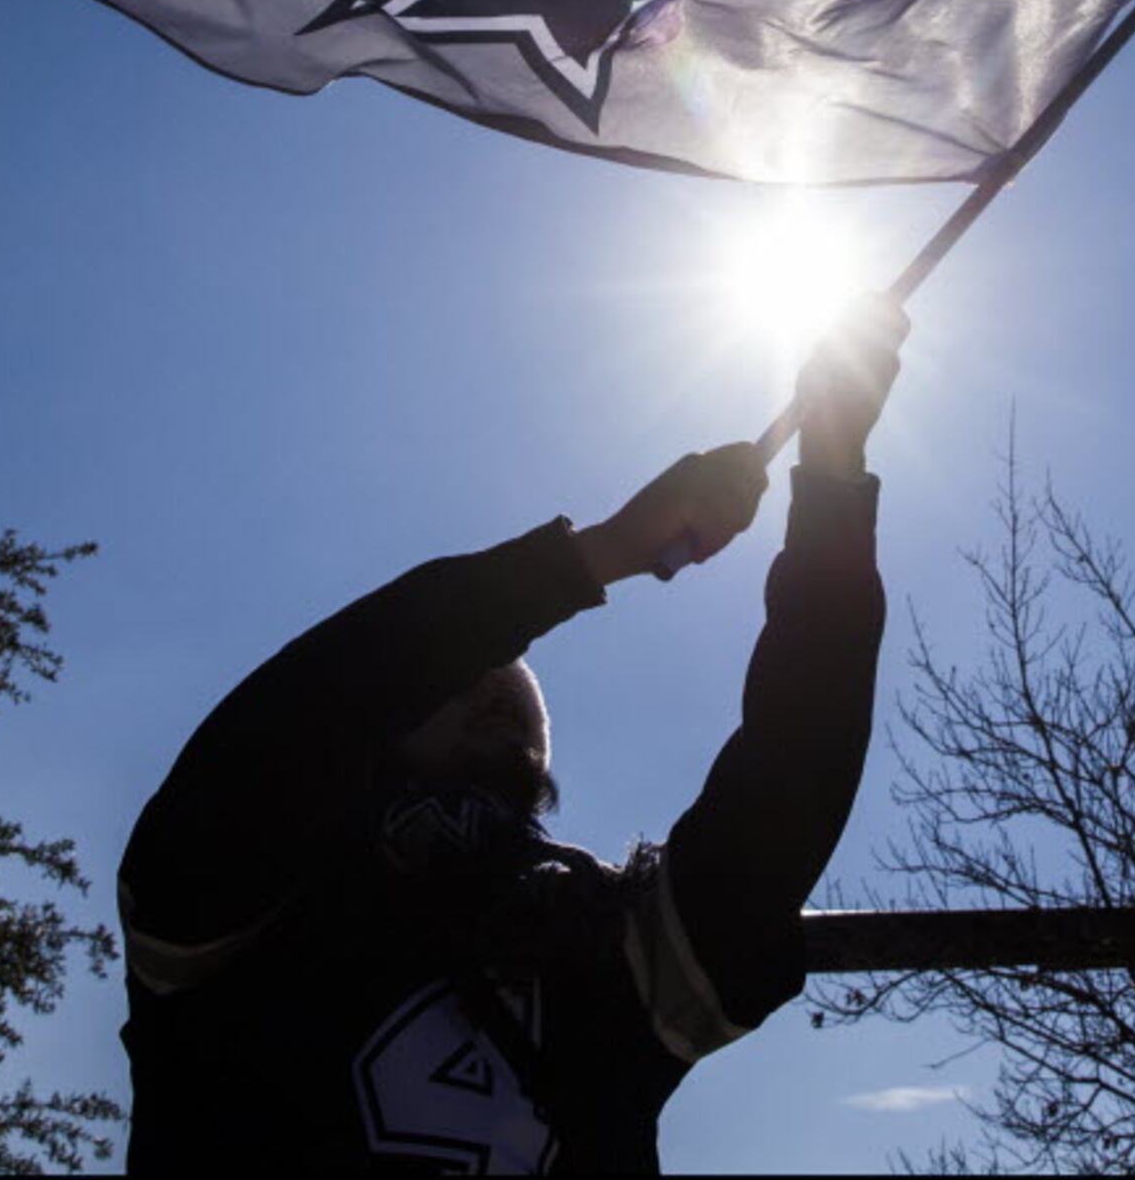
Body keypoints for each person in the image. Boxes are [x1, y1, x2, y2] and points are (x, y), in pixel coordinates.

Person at [116, 300, 908, 1171]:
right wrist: (593, 555)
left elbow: (788, 784)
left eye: (519, 704)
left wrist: (833, 478)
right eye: (466, 680)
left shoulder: (613, 948)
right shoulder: (242, 909)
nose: (497, 694)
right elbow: (301, 714)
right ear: (382, 731)